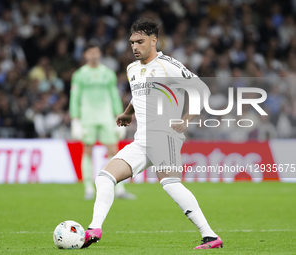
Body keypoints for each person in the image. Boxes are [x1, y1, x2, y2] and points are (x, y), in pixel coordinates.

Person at [81, 18, 223, 250]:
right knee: (104, 177)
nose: (135, 47)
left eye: (140, 41)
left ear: (154, 40)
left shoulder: (169, 65)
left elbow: (202, 90)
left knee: (169, 183)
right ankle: (94, 229)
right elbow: (139, 94)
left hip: (165, 135)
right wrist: (128, 113)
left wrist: (186, 119)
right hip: (143, 139)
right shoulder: (132, 69)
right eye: (132, 43)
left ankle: (210, 236)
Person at [70, 43, 136, 200]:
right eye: (90, 52)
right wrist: (75, 120)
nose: (93, 55)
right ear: (85, 55)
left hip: (107, 117)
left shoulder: (108, 74)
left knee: (113, 151)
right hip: (87, 118)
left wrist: (120, 116)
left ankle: (119, 189)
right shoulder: (79, 75)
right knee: (87, 151)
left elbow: (114, 96)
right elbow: (75, 98)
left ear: (99, 54)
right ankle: (88, 188)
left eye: (96, 52)